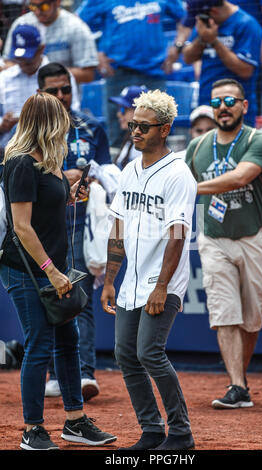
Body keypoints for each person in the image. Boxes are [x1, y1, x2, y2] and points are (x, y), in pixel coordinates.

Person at [0, 92, 117, 450]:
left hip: (52, 266)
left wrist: (68, 194)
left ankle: (75, 421)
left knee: (67, 343)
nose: (68, 123)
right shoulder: (21, 162)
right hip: (27, 270)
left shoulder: (49, 161)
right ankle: (33, 429)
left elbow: (43, 207)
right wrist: (52, 271)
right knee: (40, 345)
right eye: (62, 118)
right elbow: (21, 226)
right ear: (49, 123)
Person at [101, 89, 196, 451]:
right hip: (131, 281)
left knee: (149, 353)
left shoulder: (178, 174)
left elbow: (178, 234)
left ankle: (181, 433)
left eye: (144, 126)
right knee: (126, 354)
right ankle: (152, 430)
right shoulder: (129, 170)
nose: (135, 131)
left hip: (163, 281)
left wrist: (162, 287)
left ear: (165, 129)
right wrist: (110, 280)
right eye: (132, 124)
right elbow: (118, 227)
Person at [186, 78, 262, 409]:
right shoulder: (197, 146)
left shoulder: (258, 139)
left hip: (252, 236)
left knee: (253, 316)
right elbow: (179, 182)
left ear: (244, 106)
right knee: (224, 312)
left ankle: (241, 377)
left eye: (230, 101)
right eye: (217, 102)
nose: (223, 107)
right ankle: (237, 385)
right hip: (213, 237)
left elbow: (242, 177)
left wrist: (193, 189)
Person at [37, 62, 111, 401]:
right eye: (53, 90)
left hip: (81, 219)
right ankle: (53, 372)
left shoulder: (92, 127)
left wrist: (93, 179)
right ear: (40, 93)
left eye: (66, 88)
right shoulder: (30, 131)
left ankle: (84, 373)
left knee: (79, 290)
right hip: (42, 223)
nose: (61, 96)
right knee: (48, 292)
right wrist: (59, 178)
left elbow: (110, 173)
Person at [76, 0, 186, 148]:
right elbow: (77, 23)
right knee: (118, 134)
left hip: (154, 71)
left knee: (158, 132)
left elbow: (186, 17)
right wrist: (95, 54)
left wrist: (177, 46)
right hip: (117, 72)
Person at [178, 0, 262, 127]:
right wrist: (201, 39)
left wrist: (214, 42)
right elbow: (187, 58)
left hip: (235, 108)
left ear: (213, 11)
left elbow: (246, 70)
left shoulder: (246, 24)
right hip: (207, 105)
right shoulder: (206, 23)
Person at [0, 24, 80, 157]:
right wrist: (3, 124)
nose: (23, 62)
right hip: (10, 153)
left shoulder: (59, 76)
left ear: (41, 49)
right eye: (19, 58)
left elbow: (73, 112)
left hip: (55, 149)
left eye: (28, 57)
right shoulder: (4, 79)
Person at [2, 0, 98, 83]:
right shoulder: (21, 24)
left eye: (44, 6)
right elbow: (7, 63)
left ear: (57, 2)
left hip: (61, 96)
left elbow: (88, 74)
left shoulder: (76, 27)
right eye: (33, 6)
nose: (38, 11)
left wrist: (49, 74)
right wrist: (29, 69)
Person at [109, 85, 148, 169]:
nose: (119, 114)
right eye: (119, 109)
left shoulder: (146, 145)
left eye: (123, 109)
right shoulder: (130, 138)